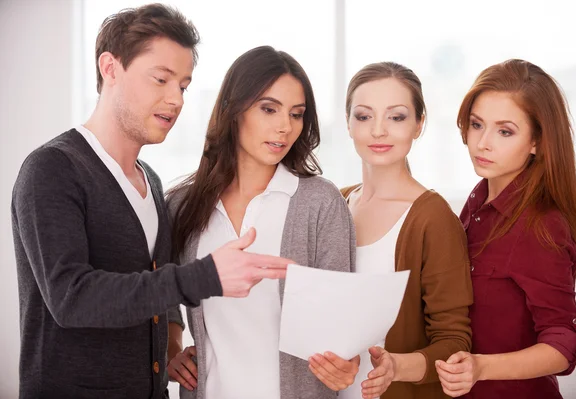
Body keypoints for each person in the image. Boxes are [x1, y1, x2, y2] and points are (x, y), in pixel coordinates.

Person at [11, 5, 290, 399]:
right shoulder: (53, 169)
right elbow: (71, 298)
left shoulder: (152, 183)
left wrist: (171, 348)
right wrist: (207, 276)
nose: (175, 99)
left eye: (183, 85)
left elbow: (153, 288)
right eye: (161, 79)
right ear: (110, 68)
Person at [165, 45, 358, 399]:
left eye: (296, 114)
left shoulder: (320, 203)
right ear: (233, 110)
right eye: (269, 109)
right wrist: (171, 349)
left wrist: (345, 364)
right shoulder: (181, 206)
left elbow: (340, 326)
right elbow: (160, 288)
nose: (285, 127)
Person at [435, 59, 576, 399]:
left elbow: (564, 343)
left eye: (504, 131)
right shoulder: (478, 201)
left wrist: (482, 367)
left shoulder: (541, 225)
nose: (482, 143)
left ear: (537, 141)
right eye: (477, 125)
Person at [334, 62, 473, 399]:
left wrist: (395, 366)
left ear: (419, 124)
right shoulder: (335, 203)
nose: (379, 131)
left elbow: (454, 342)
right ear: (348, 124)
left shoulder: (433, 218)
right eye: (364, 116)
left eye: (396, 117)